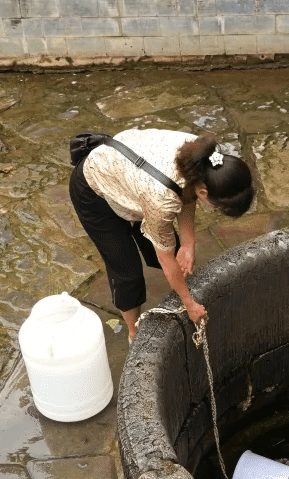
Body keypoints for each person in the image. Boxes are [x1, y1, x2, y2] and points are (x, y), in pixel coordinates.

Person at [68, 129, 254, 341]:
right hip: (94, 190)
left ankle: (177, 288)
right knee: (127, 270)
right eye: (218, 205)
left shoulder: (204, 158)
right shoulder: (162, 200)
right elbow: (166, 258)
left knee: (174, 249)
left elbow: (187, 193)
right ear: (204, 193)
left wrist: (187, 242)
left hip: (131, 179)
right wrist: (190, 304)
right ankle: (133, 333)